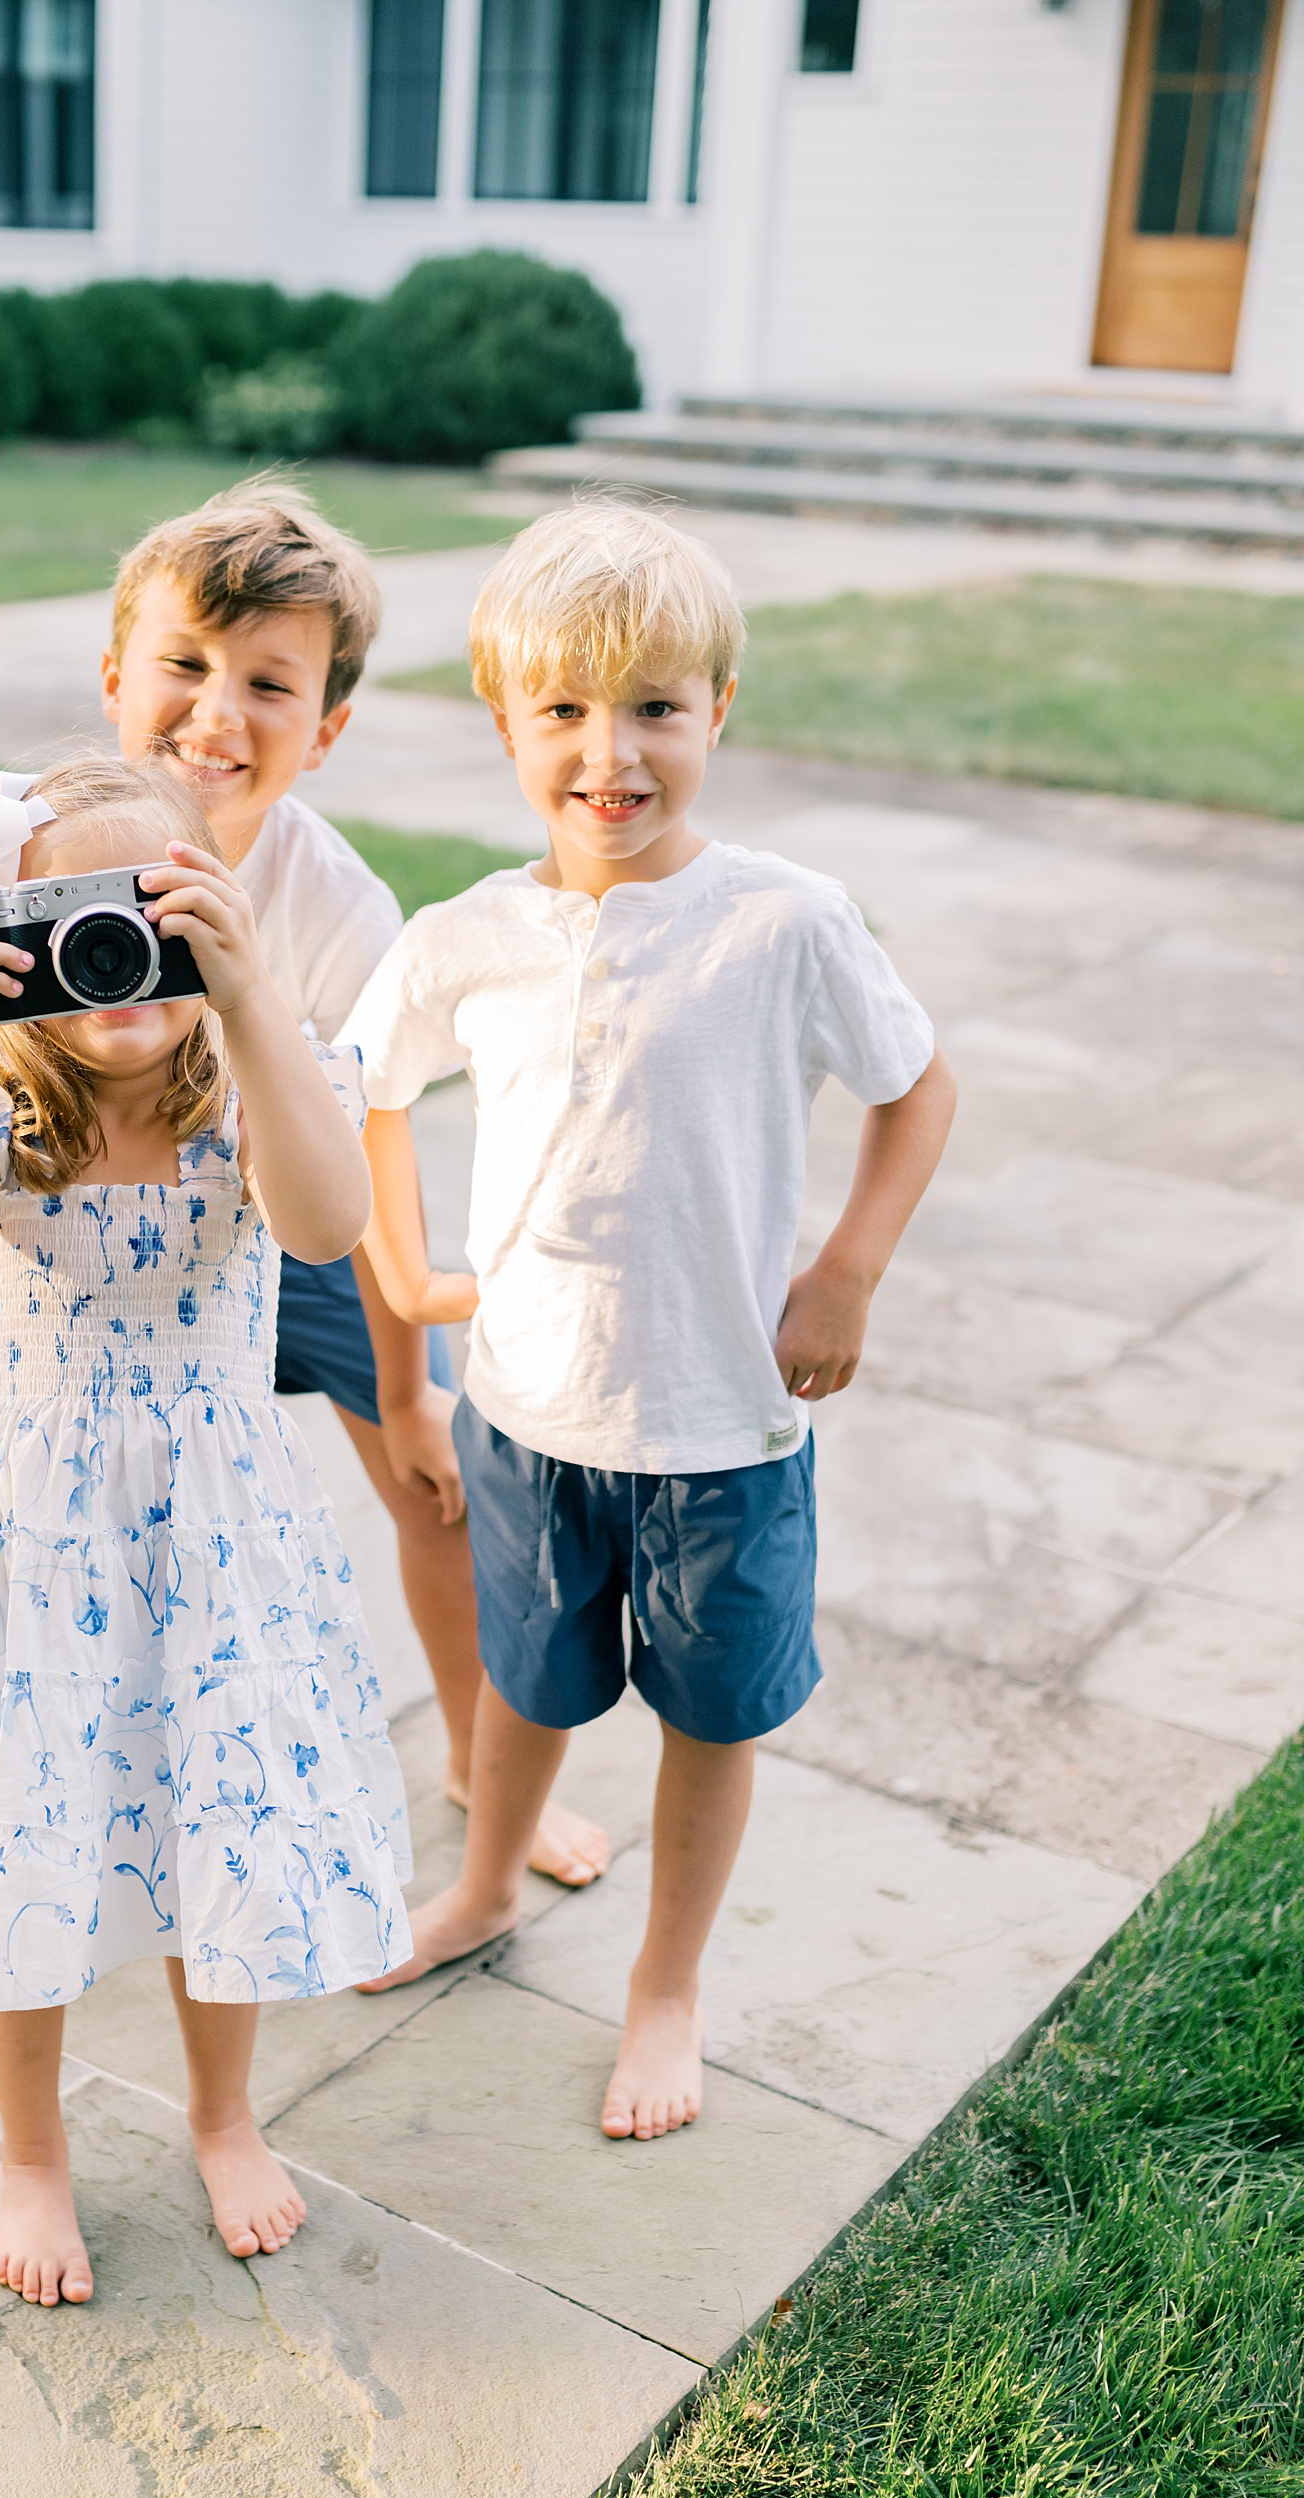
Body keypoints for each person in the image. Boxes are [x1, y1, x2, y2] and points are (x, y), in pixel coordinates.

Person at [0, 483, 610, 1891]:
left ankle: (468, 1750)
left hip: (278, 1203)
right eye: (186, 665)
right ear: (113, 681)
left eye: (270, 684)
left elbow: (366, 1151)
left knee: (436, 1485)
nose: (218, 710)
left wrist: (407, 1392)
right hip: (68, 1225)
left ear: (325, 729)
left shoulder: (335, 908)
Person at [339, 500, 956, 2147]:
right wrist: (401, 1273)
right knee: (525, 1693)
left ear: (717, 713)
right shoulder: (465, 937)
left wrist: (847, 1273)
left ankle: (667, 1989)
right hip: (531, 1411)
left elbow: (917, 1090)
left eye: (655, 711)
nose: (610, 754)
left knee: (709, 1719)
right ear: (504, 724)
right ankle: (480, 1887)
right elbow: (370, 1089)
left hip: (722, 1431)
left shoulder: (785, 920)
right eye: (564, 712)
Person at [0, 755, 410, 2305]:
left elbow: (325, 1225)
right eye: (72, 925)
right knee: (16, 1837)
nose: (121, 962)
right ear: (12, 945)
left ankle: (224, 2111)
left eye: (159, 915)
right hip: (30, 1541)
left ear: (219, 915)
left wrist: (250, 1006)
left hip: (213, 1541)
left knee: (214, 1823)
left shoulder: (255, 1072)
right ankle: (30, 2148)